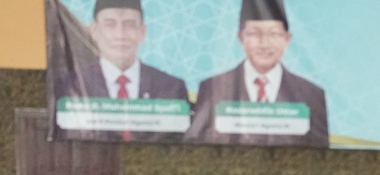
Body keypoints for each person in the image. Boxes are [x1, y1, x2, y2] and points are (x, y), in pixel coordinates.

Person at [186, 0, 329, 147]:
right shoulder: (213, 88)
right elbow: (194, 146)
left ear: (287, 39)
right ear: (241, 38)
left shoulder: (311, 94)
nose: (264, 44)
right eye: (254, 34)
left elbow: (322, 154)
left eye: (274, 34)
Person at [53, 0, 190, 105]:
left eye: (130, 25)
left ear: (142, 32)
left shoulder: (171, 88)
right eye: (110, 25)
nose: (120, 35)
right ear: (94, 31)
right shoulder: (72, 86)